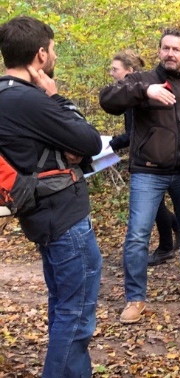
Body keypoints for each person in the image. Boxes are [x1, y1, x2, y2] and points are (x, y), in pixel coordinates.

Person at [0, 16, 103, 377]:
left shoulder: (5, 98)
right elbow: (89, 141)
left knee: (64, 307)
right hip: (64, 219)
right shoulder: (28, 101)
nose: (54, 54)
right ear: (41, 55)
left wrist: (67, 149)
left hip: (41, 214)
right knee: (75, 316)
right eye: (53, 48)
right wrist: (56, 95)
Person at [99, 28, 180, 324]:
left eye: (176, 49)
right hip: (148, 171)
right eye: (165, 48)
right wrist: (144, 91)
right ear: (159, 52)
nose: (170, 53)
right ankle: (135, 299)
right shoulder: (141, 81)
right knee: (138, 235)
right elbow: (108, 100)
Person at [107, 49, 180, 265]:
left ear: (129, 71)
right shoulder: (133, 93)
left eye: (115, 69)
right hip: (150, 158)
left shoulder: (140, 94)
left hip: (151, 160)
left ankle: (167, 244)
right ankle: (174, 232)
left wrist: (110, 144)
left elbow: (132, 134)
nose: (112, 73)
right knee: (157, 204)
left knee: (155, 205)